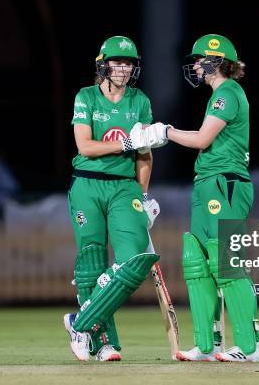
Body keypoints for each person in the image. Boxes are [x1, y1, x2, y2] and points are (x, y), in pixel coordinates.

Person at [147, 34, 259, 362]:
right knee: (198, 262)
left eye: (200, 59)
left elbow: (202, 139)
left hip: (225, 182)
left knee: (226, 260)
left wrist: (165, 132)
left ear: (216, 60)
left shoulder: (228, 92)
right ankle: (207, 344)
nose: (196, 65)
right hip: (206, 182)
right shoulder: (219, 95)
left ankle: (250, 346)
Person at [63, 36, 163, 362]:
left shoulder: (140, 101)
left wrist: (144, 196)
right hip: (87, 185)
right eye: (117, 62)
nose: (123, 68)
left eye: (129, 63)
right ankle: (105, 342)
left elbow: (144, 155)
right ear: (103, 64)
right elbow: (85, 147)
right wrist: (125, 144)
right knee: (92, 263)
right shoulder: (86, 96)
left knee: (133, 260)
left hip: (124, 187)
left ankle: (81, 323)